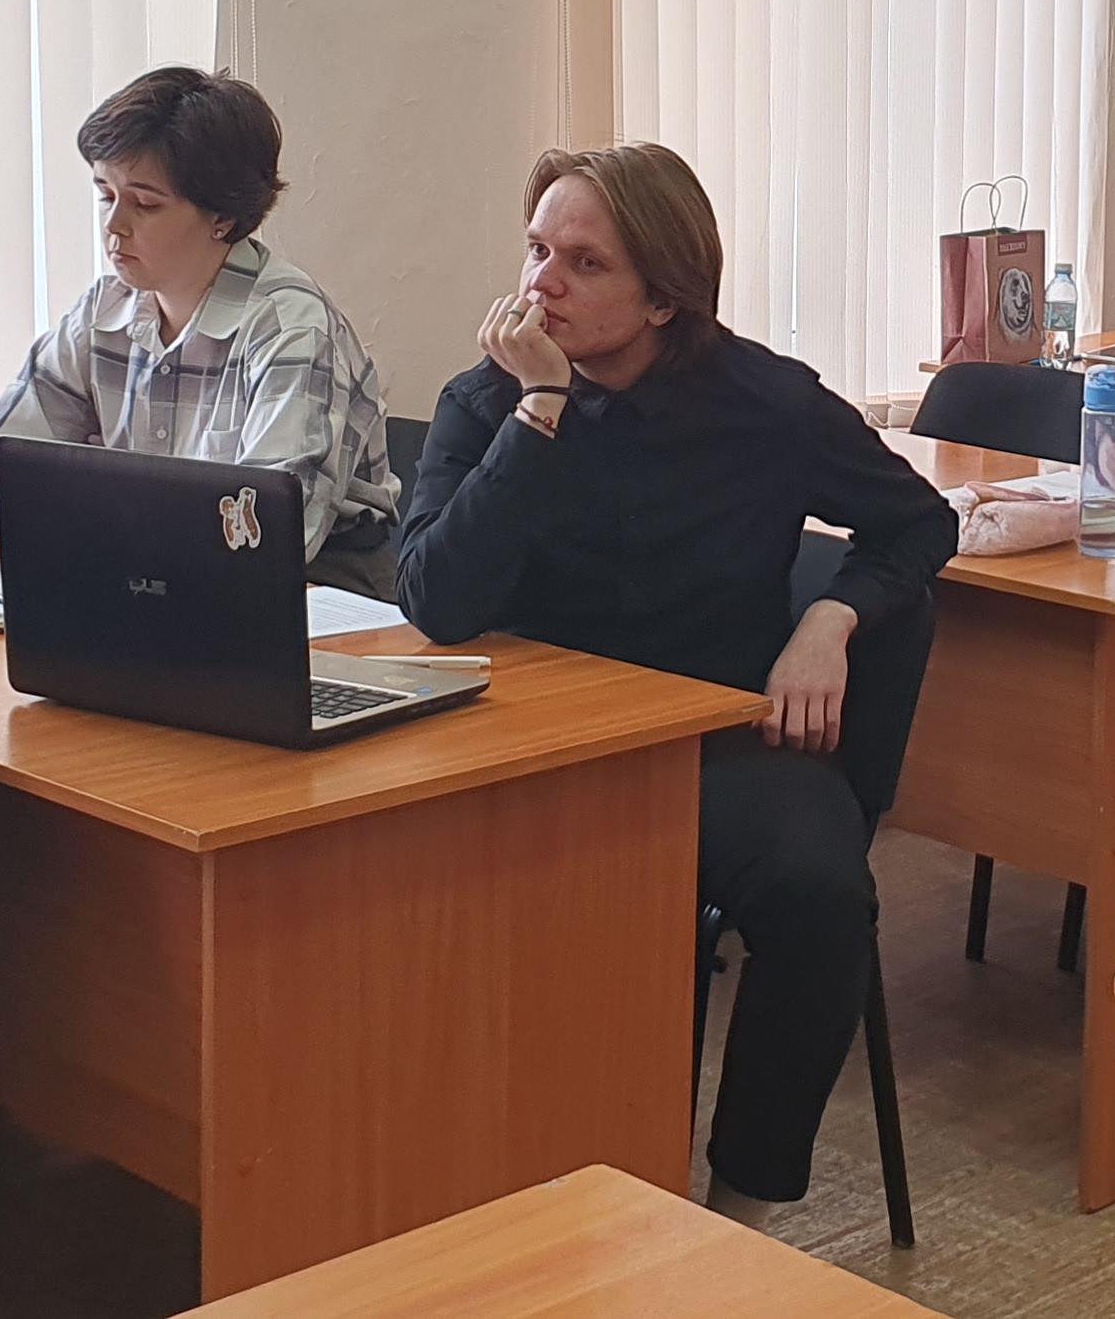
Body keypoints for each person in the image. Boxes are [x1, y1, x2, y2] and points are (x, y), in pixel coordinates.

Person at [399, 142, 956, 1221]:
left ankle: (741, 1203)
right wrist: (539, 410)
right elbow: (436, 600)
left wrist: (831, 617)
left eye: (583, 264)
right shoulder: (489, 400)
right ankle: (454, 1188)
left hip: (714, 737)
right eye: (535, 251)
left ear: (662, 298)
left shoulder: (766, 403)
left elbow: (918, 523)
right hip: (535, 741)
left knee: (822, 896)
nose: (542, 285)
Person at [0, 67, 404, 599]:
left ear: (223, 218)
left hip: (315, 594)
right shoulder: (107, 310)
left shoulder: (292, 330)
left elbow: (262, 535)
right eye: (105, 195)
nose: (113, 226)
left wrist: (46, 528)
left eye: (144, 204)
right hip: (150, 580)